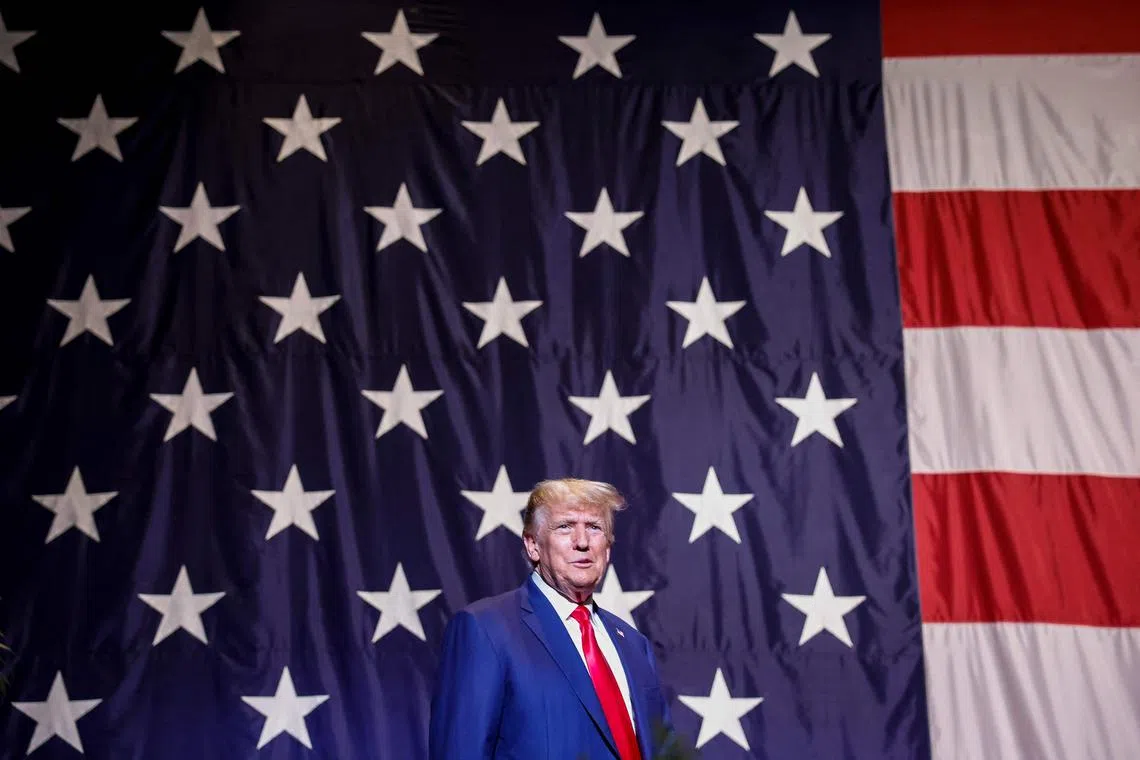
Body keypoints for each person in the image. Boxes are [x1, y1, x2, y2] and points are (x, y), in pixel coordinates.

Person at [429, 478, 680, 759]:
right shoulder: (485, 630)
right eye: (565, 527)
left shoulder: (635, 645)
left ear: (607, 550)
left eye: (594, 528)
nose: (582, 542)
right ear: (533, 545)